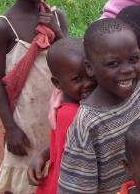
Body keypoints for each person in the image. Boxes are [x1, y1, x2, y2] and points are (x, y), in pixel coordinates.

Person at [0, 0, 67, 194]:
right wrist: (10, 127)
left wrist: (58, 32)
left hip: (55, 115)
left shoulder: (56, 16)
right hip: (25, 120)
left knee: (54, 174)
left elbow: (72, 61)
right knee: (22, 179)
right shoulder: (3, 27)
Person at [58, 18, 140, 194]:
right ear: (90, 68)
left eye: (134, 59)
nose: (127, 69)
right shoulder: (88, 124)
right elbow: (77, 189)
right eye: (113, 63)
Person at [27, 38, 96, 193]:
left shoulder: (71, 104)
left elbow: (60, 144)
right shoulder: (73, 115)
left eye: (91, 75)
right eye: (77, 79)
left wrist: (43, 155)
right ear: (57, 84)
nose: (88, 83)